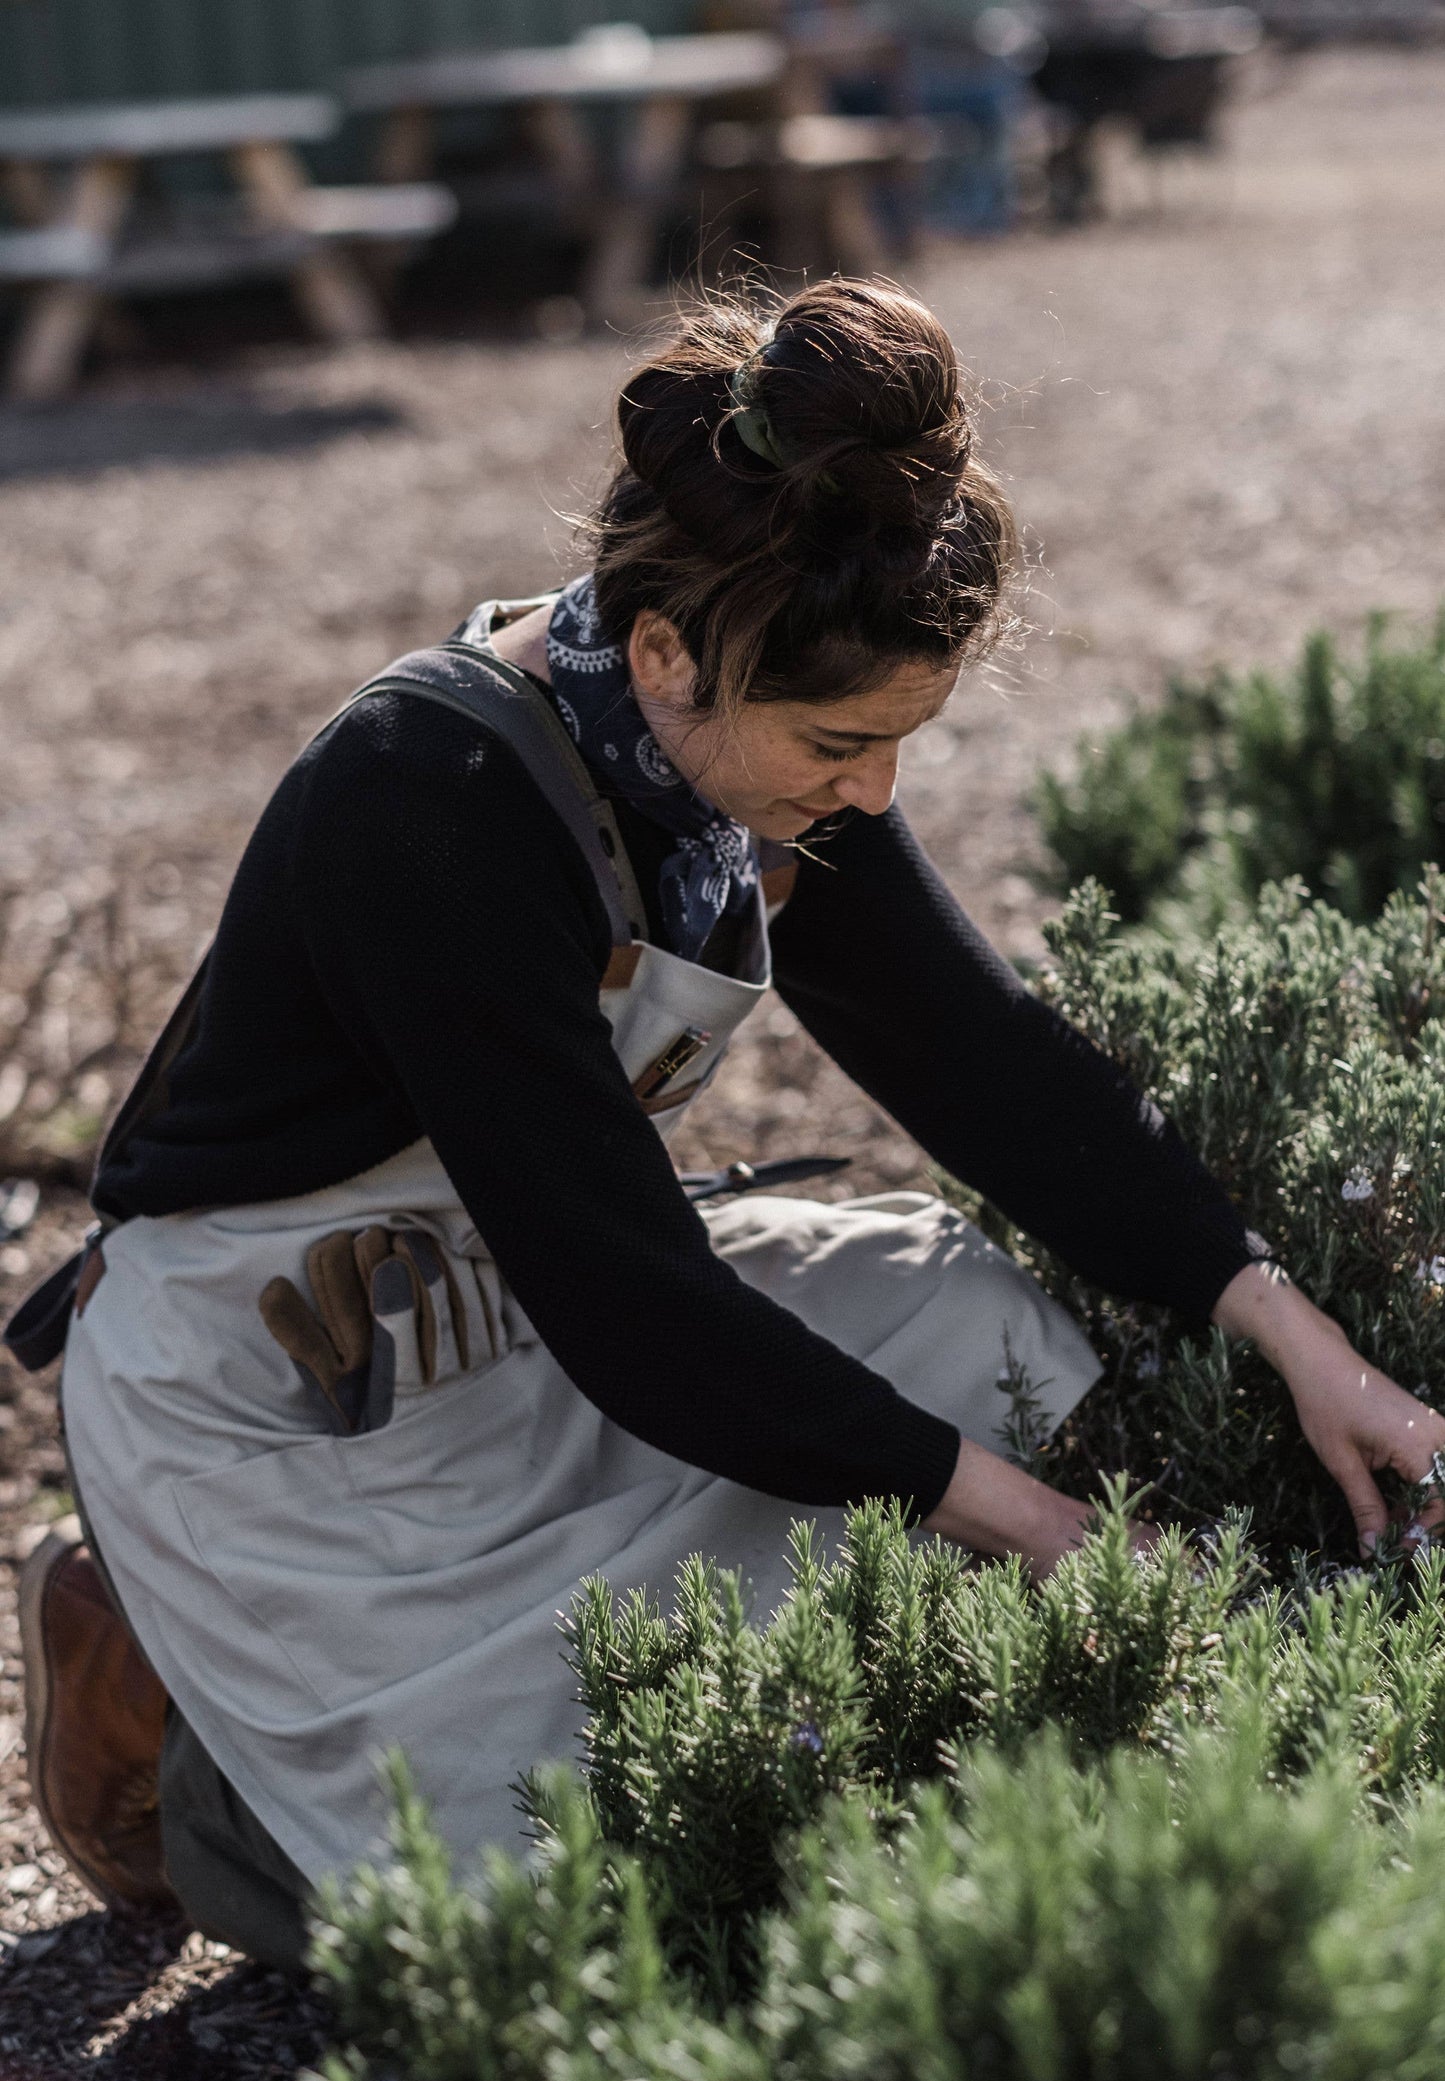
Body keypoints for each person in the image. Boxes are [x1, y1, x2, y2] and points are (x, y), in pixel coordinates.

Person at [15, 279, 1444, 1975]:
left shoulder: (722, 768)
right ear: (665, 652)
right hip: (279, 1376)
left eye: (899, 743)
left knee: (973, 1319)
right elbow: (638, 1310)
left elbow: (980, 1058)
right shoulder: (427, 798)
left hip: (523, 1293)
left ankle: (405, 1655)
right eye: (841, 744)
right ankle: (163, 1711)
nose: (873, 796)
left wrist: (1284, 1323)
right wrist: (1059, 1546)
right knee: (518, 1913)